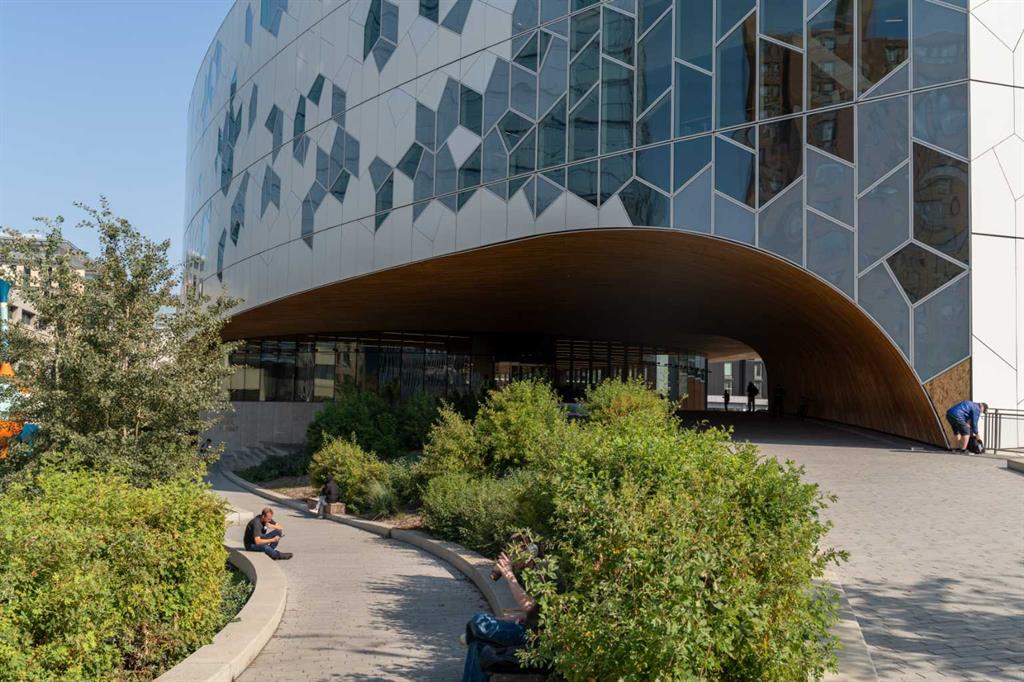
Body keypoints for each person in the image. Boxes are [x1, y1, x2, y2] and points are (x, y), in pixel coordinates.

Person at [461, 548, 549, 682]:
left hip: (534, 637)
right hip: (526, 626)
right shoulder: (530, 572)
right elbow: (537, 610)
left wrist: (509, 575)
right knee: (477, 645)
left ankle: (469, 636)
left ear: (529, 554)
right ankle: (471, 638)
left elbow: (529, 605)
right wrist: (519, 616)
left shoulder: (546, 572)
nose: (512, 557)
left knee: (479, 621)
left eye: (516, 552)